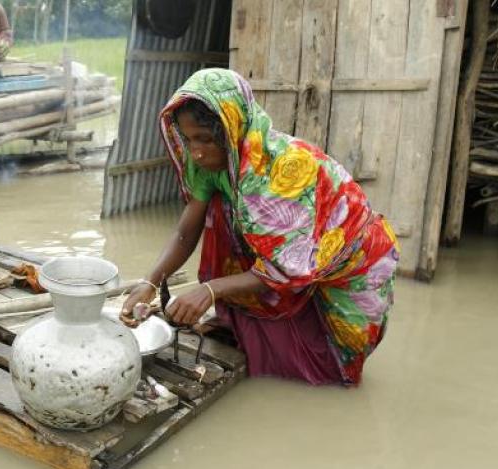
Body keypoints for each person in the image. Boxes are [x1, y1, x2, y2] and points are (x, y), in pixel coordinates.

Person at [120, 69, 400, 386]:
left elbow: (286, 268)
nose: (195, 152)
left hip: (352, 259)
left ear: (232, 131)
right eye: (187, 139)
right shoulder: (208, 165)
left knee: (336, 363)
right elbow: (186, 232)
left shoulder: (282, 173)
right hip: (290, 258)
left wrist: (212, 290)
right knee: (225, 213)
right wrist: (151, 282)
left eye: (205, 139)